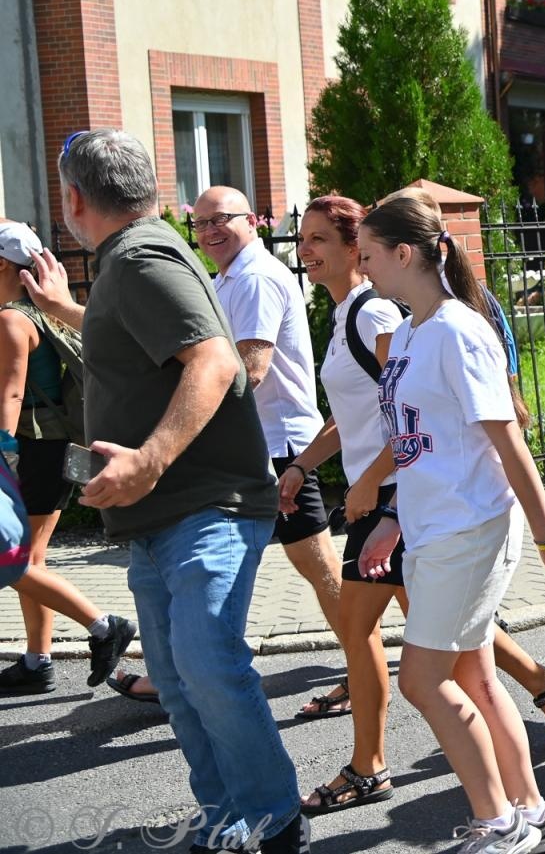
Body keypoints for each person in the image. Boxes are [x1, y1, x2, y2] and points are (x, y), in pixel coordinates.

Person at [56, 129, 306, 851]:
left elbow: (216, 361)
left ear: (75, 199)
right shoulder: (134, 257)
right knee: (176, 675)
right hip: (163, 517)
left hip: (204, 506)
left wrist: (149, 459)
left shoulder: (139, 257)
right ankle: (229, 815)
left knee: (206, 663)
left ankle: (275, 819)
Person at [287, 196, 545, 817]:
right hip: (428, 525)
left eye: (368, 254)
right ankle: (529, 811)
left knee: (423, 680)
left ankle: (497, 820)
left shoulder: (456, 331)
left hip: (466, 526)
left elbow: (507, 441)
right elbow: (417, 440)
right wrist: (392, 520)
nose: (362, 265)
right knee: (475, 678)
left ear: (403, 254)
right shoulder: (412, 332)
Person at [111, 187, 347, 715]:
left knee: (317, 567)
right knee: (210, 565)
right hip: (250, 446)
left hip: (279, 448)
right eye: (200, 224)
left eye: (222, 219)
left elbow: (251, 369)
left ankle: (366, 665)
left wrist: (180, 424)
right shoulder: (227, 278)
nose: (210, 231)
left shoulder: (256, 278)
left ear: (253, 221)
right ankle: (179, 673)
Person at [0, 226, 135, 696]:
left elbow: (11, 394)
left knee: (13, 561)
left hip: (31, 450)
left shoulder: (12, 320)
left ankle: (104, 626)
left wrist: (3, 453)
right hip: (55, 449)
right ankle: (37, 662)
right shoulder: (44, 312)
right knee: (29, 560)